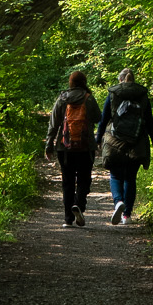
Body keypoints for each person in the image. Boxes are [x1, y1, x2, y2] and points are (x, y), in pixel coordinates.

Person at [96, 67, 153, 225]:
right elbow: (150, 122)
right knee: (130, 178)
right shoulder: (142, 95)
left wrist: (97, 140)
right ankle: (127, 215)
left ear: (120, 80)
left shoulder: (114, 93)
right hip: (137, 142)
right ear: (133, 79)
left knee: (116, 175)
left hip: (114, 142)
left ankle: (118, 202)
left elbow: (104, 119)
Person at [45, 68, 100, 227]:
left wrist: (49, 145)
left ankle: (68, 219)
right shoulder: (89, 99)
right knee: (84, 179)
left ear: (70, 83)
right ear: (84, 83)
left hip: (65, 148)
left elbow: (53, 125)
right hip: (85, 148)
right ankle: (79, 205)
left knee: (67, 182)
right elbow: (98, 117)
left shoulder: (62, 99)